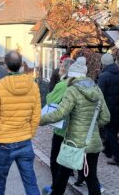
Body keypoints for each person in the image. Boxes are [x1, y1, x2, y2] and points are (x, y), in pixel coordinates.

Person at [40, 57, 111, 195]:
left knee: (62, 177)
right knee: (91, 178)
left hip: (74, 143)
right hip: (92, 142)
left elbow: (60, 113)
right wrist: (92, 127)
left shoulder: (72, 90)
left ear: (71, 76)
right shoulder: (97, 90)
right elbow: (106, 117)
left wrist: (39, 120)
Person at [0, 51, 41, 195]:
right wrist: (30, 133)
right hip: (24, 140)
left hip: (2, 142)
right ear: (22, 64)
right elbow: (36, 116)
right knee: (31, 183)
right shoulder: (33, 86)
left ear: (5, 65)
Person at [41, 57, 75, 195]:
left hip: (62, 128)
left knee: (55, 160)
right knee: (69, 161)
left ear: (65, 69)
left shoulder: (63, 85)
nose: (59, 68)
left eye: (61, 66)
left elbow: (50, 99)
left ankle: (56, 187)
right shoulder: (79, 85)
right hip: (76, 130)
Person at [97, 53, 119, 166]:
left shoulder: (103, 76)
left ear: (103, 64)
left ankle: (118, 158)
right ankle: (108, 151)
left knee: (110, 133)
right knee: (113, 131)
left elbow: (100, 95)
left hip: (108, 110)